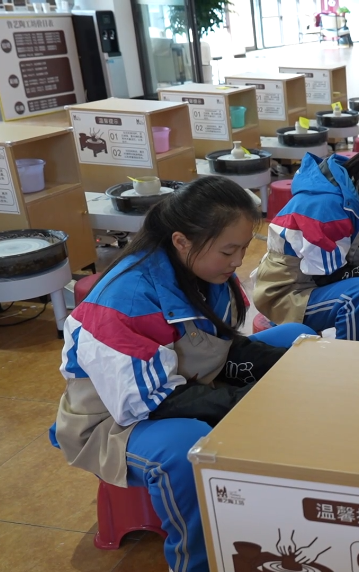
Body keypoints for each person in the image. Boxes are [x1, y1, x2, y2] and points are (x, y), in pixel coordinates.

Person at [52, 177, 318, 572]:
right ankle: (196, 561)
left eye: (243, 248)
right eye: (228, 250)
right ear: (181, 241)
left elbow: (223, 344)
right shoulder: (125, 301)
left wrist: (291, 367)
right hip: (117, 420)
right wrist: (253, 401)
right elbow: (152, 402)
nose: (238, 261)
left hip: (190, 380)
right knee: (185, 446)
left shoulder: (208, 273)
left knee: (297, 342)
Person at [254, 142, 359, 341]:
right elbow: (327, 276)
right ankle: (351, 357)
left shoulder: (357, 193)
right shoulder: (328, 209)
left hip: (315, 276)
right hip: (289, 291)